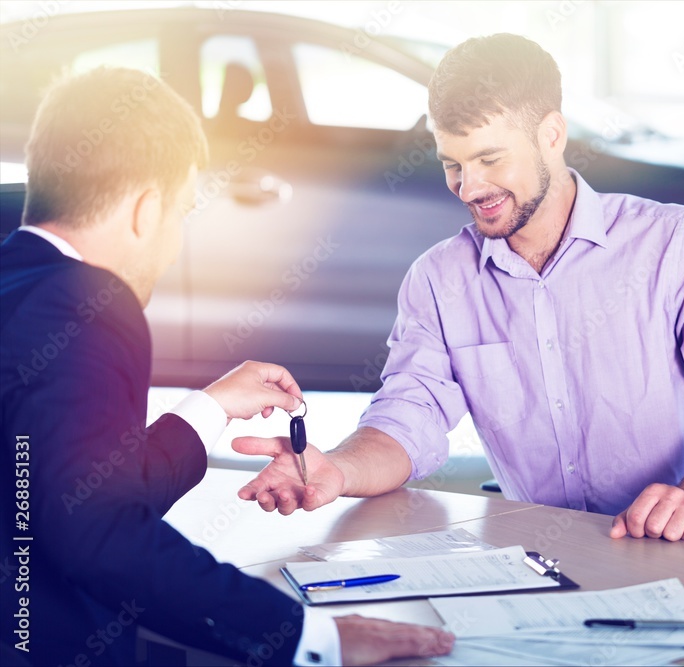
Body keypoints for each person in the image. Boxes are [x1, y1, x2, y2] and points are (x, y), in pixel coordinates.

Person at [236, 34, 684, 545]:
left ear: (552, 135)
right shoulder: (441, 280)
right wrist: (337, 468)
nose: (469, 187)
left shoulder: (676, 243)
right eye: (452, 164)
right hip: (552, 564)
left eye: (490, 158)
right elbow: (409, 416)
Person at [0, 67, 453, 666]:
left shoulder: (19, 283)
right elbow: (102, 538)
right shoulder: (88, 305)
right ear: (145, 209)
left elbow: (64, 497)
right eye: (182, 212)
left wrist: (210, 406)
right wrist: (307, 637)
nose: (175, 242)